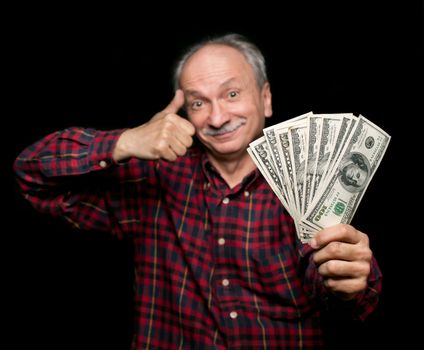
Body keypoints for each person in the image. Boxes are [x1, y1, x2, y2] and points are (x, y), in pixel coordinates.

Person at [13, 33, 381, 349]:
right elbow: (32, 175)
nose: (217, 118)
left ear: (266, 98)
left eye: (232, 93)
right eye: (198, 102)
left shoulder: (311, 182)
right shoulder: (154, 178)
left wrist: (348, 281)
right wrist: (123, 141)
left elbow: (347, 299)